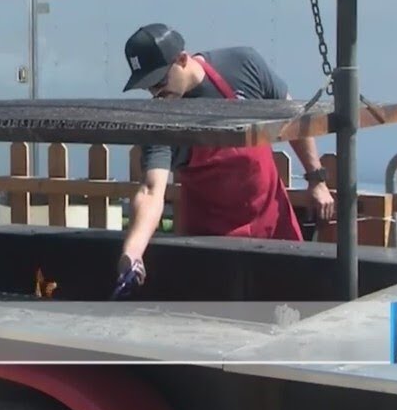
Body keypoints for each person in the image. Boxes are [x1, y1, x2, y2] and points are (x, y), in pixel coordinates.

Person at [112, 23, 335, 297]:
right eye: (148, 88)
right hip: (212, 239)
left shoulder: (243, 65)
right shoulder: (161, 120)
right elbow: (150, 190)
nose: (156, 95)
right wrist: (132, 253)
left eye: (159, 82)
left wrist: (316, 179)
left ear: (183, 59)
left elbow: (294, 117)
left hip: (273, 221)